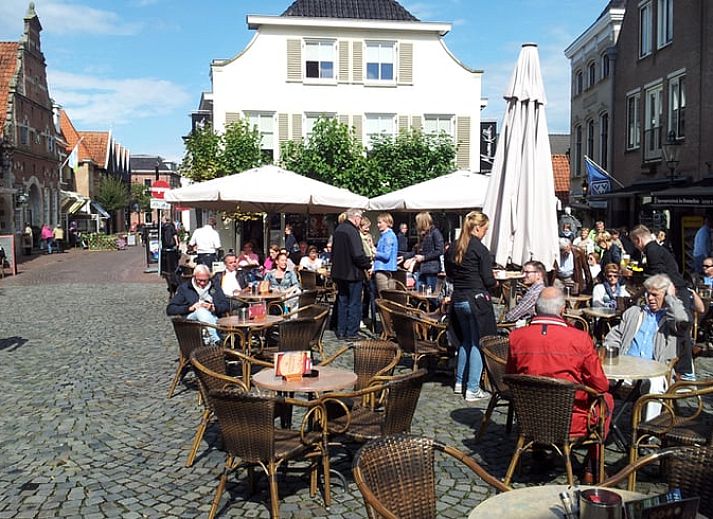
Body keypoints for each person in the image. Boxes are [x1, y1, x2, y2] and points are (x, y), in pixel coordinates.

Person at [507, 287, 613, 483]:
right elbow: (600, 385)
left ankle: (539, 453)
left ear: (536, 308)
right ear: (562, 310)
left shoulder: (516, 338)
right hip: (571, 421)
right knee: (606, 399)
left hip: (529, 417)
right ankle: (593, 467)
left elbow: (511, 375)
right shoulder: (580, 339)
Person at [603, 274, 689, 419]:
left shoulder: (670, 319)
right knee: (596, 375)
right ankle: (598, 426)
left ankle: (649, 429)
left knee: (654, 383)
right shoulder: (634, 313)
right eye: (648, 293)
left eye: (655, 295)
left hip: (654, 371)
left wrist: (671, 298)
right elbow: (614, 336)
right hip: (626, 370)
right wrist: (611, 350)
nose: (650, 298)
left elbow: (684, 321)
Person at [444, 211, 497, 401]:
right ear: (477, 228)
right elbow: (488, 280)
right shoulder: (479, 249)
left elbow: (449, 274)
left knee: (465, 341)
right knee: (478, 342)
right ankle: (473, 388)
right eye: (485, 229)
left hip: (458, 298)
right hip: (476, 299)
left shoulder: (453, 247)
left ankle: (460, 382)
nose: (485, 233)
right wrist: (496, 283)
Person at [331, 208, 372, 340]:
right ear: (356, 217)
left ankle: (341, 331)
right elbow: (357, 254)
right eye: (360, 219)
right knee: (354, 303)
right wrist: (367, 264)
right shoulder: (352, 231)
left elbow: (333, 253)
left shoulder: (338, 229)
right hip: (352, 273)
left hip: (339, 273)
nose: (360, 222)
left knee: (342, 302)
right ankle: (352, 332)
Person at [166, 264, 229, 344]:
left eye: (205, 280)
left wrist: (213, 308)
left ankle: (213, 342)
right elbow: (170, 309)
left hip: (213, 319)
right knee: (200, 311)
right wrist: (189, 308)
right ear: (194, 277)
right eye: (199, 280)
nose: (202, 283)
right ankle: (217, 340)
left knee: (206, 314)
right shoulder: (185, 288)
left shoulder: (214, 286)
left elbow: (226, 305)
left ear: (209, 278)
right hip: (192, 321)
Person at [402, 212, 444, 293]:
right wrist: (404, 257)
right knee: (420, 292)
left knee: (431, 294)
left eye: (417, 222)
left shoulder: (435, 233)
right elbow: (416, 251)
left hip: (431, 270)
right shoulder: (423, 235)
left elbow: (440, 250)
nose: (416, 224)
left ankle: (434, 305)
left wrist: (424, 258)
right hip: (422, 269)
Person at [372, 212, 398, 295]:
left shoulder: (388, 236)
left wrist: (375, 252)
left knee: (383, 297)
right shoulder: (386, 235)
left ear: (387, 223)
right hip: (388, 269)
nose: (378, 225)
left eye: (380, 222)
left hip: (383, 269)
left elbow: (386, 255)